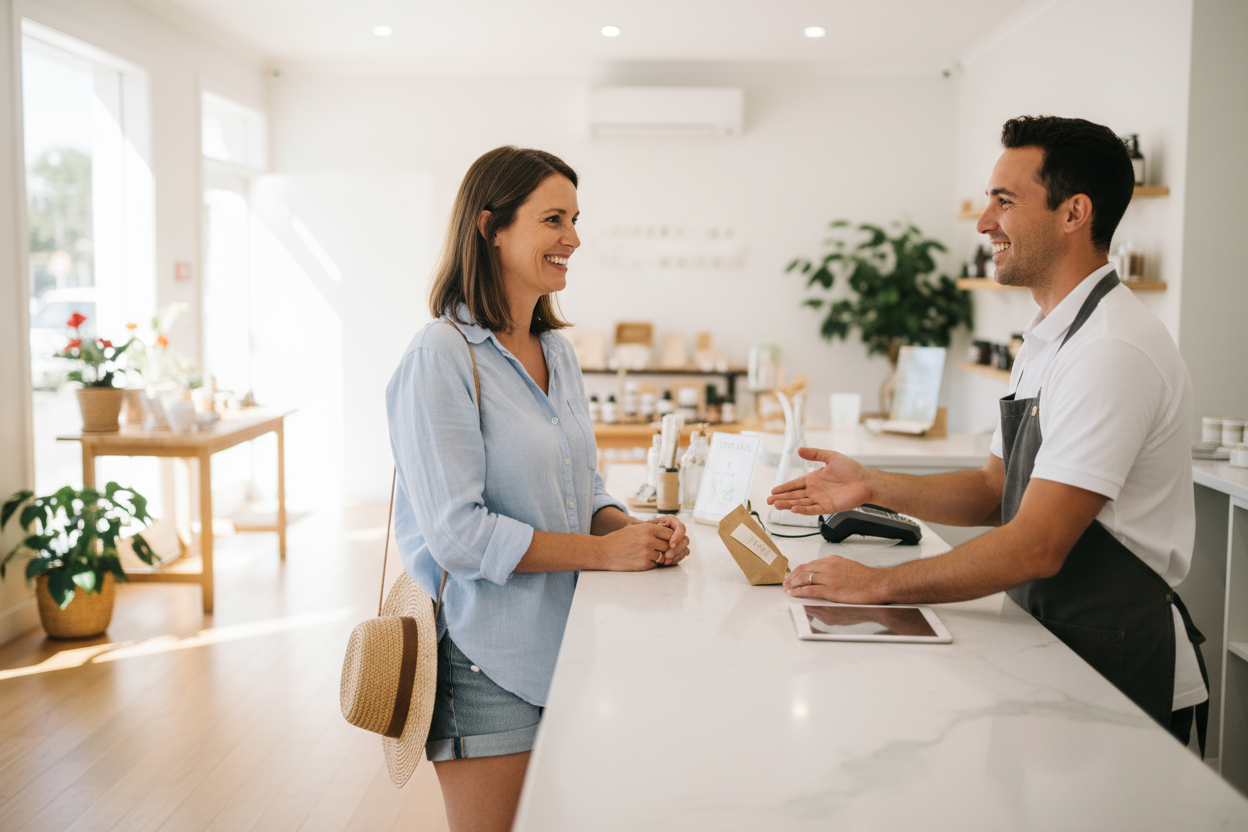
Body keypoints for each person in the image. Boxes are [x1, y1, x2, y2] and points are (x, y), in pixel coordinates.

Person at [768, 115, 1208, 751]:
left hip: (1115, 654)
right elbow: (991, 490)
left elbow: (1034, 546)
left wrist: (876, 586)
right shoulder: (1047, 337)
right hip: (1049, 634)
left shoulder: (1112, 350)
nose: (982, 223)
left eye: (1005, 201)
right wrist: (871, 485)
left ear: (1073, 212)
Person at [386, 146, 690, 832]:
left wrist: (629, 529)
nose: (574, 239)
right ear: (491, 227)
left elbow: (582, 486)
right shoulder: (440, 355)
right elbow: (459, 535)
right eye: (554, 218)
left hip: (568, 647)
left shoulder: (557, 351)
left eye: (576, 219)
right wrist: (600, 553)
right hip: (485, 663)